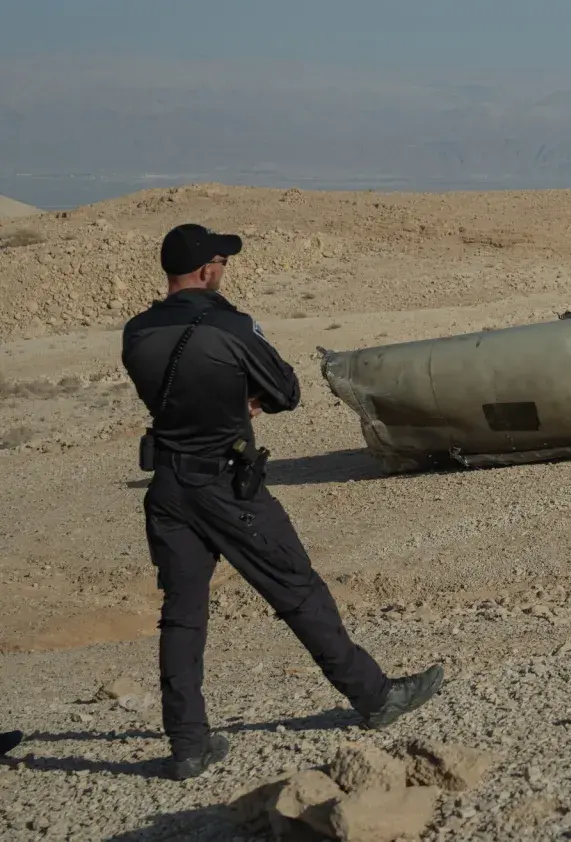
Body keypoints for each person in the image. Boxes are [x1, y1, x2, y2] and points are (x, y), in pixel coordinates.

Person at [122, 224, 444, 781]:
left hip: (169, 488)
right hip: (225, 486)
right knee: (296, 588)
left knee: (182, 616)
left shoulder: (135, 331)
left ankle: (188, 744)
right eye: (220, 262)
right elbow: (287, 391)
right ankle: (374, 696)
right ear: (205, 272)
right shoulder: (229, 326)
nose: (224, 269)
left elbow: (171, 397)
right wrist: (244, 401)